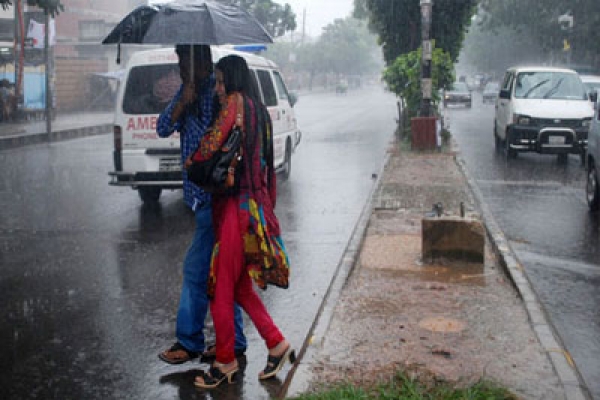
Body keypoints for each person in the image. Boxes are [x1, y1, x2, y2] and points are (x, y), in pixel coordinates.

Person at [189, 55, 294, 389]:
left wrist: (193, 161)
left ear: (232, 80)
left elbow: (209, 148)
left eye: (220, 81)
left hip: (236, 208)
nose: (218, 89)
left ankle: (224, 361)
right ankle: (276, 342)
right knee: (238, 286)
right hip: (253, 207)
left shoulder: (234, 104)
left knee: (221, 284)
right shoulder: (259, 110)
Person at [156, 44, 247, 365]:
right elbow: (163, 127)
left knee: (196, 270)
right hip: (200, 197)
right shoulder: (187, 91)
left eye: (184, 61)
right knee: (223, 272)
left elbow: (219, 137)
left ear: (201, 61)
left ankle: (189, 340)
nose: (180, 67)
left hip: (216, 195)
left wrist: (199, 100)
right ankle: (234, 341)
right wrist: (183, 101)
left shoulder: (218, 92)